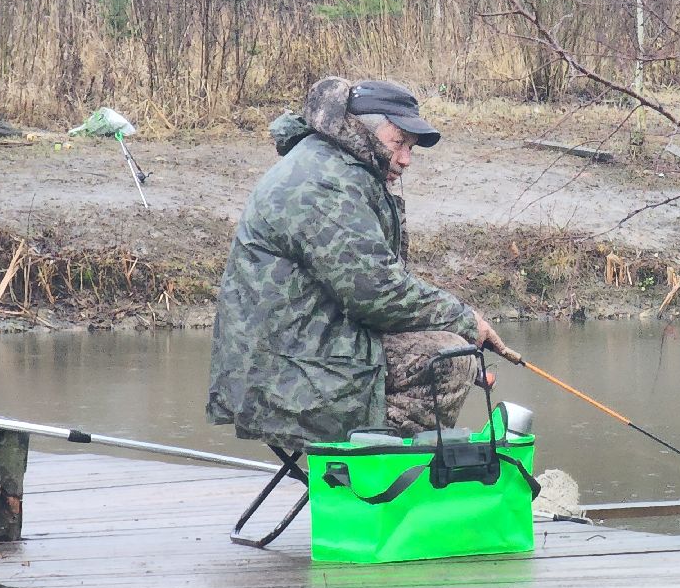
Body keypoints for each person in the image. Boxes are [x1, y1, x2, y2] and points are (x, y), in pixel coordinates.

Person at [207, 76, 506, 450]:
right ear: (360, 129)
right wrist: (465, 322)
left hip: (294, 353)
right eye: (399, 143)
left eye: (411, 147)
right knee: (448, 361)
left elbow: (371, 286)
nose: (406, 159)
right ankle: (377, 484)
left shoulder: (333, 164)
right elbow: (374, 290)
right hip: (283, 373)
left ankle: (371, 476)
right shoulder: (325, 181)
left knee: (453, 351)